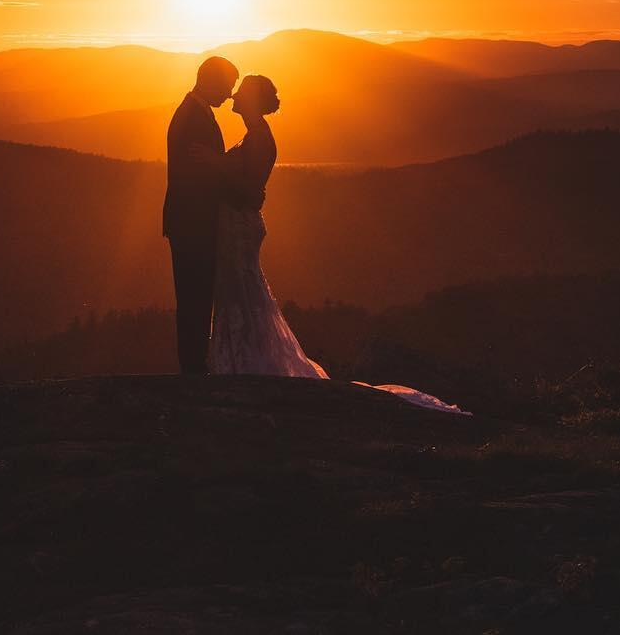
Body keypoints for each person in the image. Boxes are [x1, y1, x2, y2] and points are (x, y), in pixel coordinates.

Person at [208, 73, 468, 416]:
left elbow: (251, 191)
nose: (234, 96)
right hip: (235, 229)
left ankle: (247, 367)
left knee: (244, 296)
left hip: (241, 229)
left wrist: (213, 166)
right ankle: (241, 364)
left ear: (253, 101)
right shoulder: (253, 136)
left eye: (240, 91)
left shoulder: (259, 138)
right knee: (239, 296)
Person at [162, 54, 238, 374]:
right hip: (193, 224)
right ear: (210, 81)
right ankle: (193, 368)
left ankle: (195, 364)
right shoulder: (193, 117)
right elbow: (195, 177)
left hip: (191, 223)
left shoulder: (195, 112)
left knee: (196, 295)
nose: (229, 94)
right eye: (227, 86)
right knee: (194, 295)